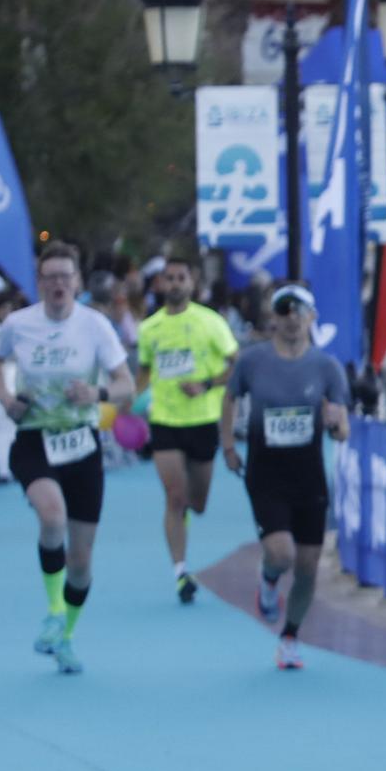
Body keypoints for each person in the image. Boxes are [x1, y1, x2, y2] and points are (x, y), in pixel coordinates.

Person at [0, 241, 135, 674]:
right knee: (52, 517)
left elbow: (127, 386)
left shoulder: (95, 326)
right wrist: (6, 398)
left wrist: (96, 393)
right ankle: (52, 609)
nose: (58, 285)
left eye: (66, 277)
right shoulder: (18, 324)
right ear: (39, 283)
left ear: (77, 282)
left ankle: (65, 636)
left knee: (81, 562)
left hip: (82, 443)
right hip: (35, 438)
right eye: (50, 277)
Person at [220, 284, 350, 670]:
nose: (291, 319)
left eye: (300, 312)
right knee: (282, 553)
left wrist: (335, 426)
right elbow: (229, 398)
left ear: (312, 318)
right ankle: (269, 575)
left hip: (309, 477)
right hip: (266, 473)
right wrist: (228, 446)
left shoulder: (327, 368)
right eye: (283, 311)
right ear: (272, 319)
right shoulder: (253, 362)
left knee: (309, 568)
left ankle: (290, 636)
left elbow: (342, 428)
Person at [135, 255, 239, 602]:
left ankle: (187, 516)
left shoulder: (211, 323)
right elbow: (144, 372)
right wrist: (127, 408)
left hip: (203, 420)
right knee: (174, 497)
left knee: (197, 502)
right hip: (165, 420)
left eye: (182, 277)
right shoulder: (149, 328)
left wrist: (207, 384)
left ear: (192, 283)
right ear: (161, 283)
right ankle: (181, 571)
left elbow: (236, 366)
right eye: (170, 278)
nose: (175, 283)